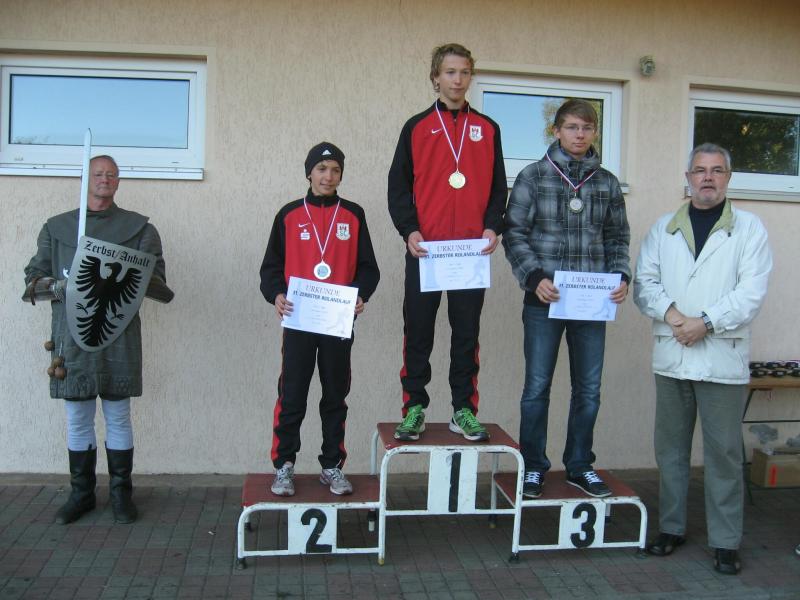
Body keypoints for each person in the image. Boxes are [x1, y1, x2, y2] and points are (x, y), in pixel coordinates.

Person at [634, 143, 772, 575]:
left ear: (728, 178)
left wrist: (706, 323)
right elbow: (645, 284)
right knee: (670, 450)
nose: (707, 177)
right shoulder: (664, 228)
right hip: (672, 352)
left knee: (724, 453)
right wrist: (677, 318)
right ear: (688, 178)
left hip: (720, 357)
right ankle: (671, 528)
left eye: (716, 170)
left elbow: (751, 292)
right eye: (699, 170)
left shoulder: (749, 229)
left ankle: (726, 541)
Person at [24, 155, 170, 525]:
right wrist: (58, 286)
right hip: (70, 336)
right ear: (85, 179)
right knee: (78, 416)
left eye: (111, 175)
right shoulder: (57, 228)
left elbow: (158, 285)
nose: (105, 179)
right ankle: (82, 494)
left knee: (118, 414)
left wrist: (129, 275)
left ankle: (121, 494)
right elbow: (32, 282)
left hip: (118, 334)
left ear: (118, 181)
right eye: (98, 174)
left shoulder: (140, 229)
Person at [502, 99, 630, 498]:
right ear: (556, 131)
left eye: (587, 128)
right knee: (537, 388)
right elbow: (513, 233)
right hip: (544, 300)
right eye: (572, 127)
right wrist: (533, 277)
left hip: (592, 304)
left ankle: (579, 465)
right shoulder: (532, 176)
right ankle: (533, 467)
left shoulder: (607, 182)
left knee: (588, 390)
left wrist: (621, 276)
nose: (579, 134)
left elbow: (618, 237)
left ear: (594, 133)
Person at [388, 43, 506, 442]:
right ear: (435, 78)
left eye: (465, 72)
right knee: (418, 331)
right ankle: (414, 408)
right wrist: (409, 230)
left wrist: (492, 227)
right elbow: (398, 187)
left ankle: (463, 410)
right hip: (426, 251)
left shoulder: (488, 129)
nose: (458, 80)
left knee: (466, 333)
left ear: (471, 77)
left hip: (470, 253)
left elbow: (498, 188)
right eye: (450, 72)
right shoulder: (417, 127)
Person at [260, 142, 380, 496]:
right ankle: (284, 465)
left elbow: (368, 267)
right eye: (322, 169)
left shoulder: (353, 215)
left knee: (335, 395)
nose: (329, 176)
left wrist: (360, 295)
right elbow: (270, 267)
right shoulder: (289, 214)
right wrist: (276, 294)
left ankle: (331, 465)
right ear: (309, 172)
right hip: (299, 321)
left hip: (337, 322)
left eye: (335, 170)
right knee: (292, 393)